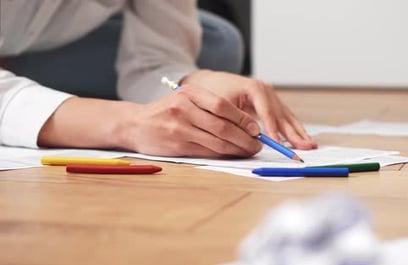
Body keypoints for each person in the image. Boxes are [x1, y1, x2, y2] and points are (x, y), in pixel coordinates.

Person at [0, 1, 317, 159]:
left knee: (220, 44)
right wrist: (128, 124)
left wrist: (196, 81)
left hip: (41, 41)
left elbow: (156, 59)